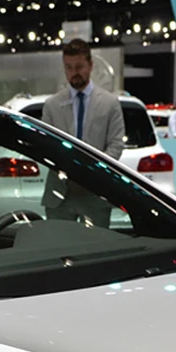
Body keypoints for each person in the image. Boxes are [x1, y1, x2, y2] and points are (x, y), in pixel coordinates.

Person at [40, 39, 125, 227]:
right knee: (57, 243)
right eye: (68, 68)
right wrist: (68, 174)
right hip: (59, 193)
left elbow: (115, 145)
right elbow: (47, 146)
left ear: (90, 65)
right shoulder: (52, 105)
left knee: (96, 245)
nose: (74, 72)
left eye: (79, 67)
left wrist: (89, 175)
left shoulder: (110, 104)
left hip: (96, 192)